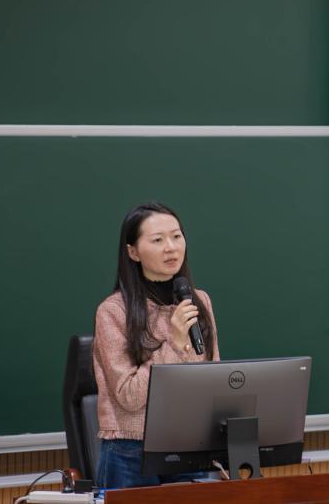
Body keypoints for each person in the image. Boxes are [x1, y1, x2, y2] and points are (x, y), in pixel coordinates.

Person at [93, 202, 220, 489]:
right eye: (158, 240)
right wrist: (174, 344)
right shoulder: (113, 311)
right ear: (133, 252)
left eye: (176, 236)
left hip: (190, 443)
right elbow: (128, 396)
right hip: (130, 450)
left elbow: (212, 377)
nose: (171, 248)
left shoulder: (199, 301)